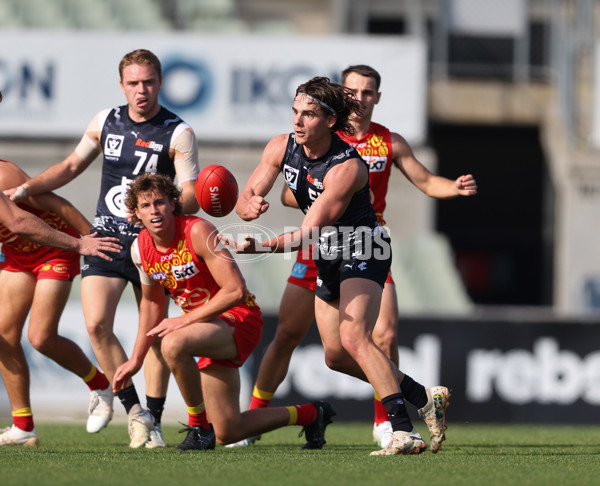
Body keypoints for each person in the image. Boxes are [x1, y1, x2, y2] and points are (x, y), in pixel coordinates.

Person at [228, 76, 476, 455]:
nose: (297, 121)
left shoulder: (347, 167)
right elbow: (249, 195)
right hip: (329, 252)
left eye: (308, 114)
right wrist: (247, 207)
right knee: (335, 356)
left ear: (329, 121)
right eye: (295, 111)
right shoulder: (281, 146)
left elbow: (306, 233)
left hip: (365, 247)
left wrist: (258, 244)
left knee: (358, 337)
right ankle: (424, 397)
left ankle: (403, 431)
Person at [6, 49, 201, 448]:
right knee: (96, 325)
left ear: (160, 82)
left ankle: (156, 420)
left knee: (155, 337)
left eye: (148, 82)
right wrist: (26, 187)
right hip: (106, 237)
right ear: (122, 85)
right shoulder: (106, 121)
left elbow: (190, 195)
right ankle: (135, 413)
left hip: (154, 243)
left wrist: (158, 210)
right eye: (133, 83)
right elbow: (70, 167)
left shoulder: (179, 133)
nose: (141, 90)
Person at [113, 173, 333, 451]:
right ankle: (311, 414)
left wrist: (184, 320)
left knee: (173, 342)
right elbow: (152, 304)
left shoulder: (198, 231)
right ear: (136, 213)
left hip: (239, 318)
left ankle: (198, 428)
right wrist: (136, 359)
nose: (154, 210)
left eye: (160, 202)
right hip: (204, 329)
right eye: (145, 206)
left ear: (173, 204)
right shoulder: (139, 249)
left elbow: (235, 290)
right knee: (229, 431)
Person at [0, 159, 122, 447]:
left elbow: (51, 203)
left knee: (40, 337)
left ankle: (99, 384)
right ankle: (24, 428)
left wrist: (89, 239)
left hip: (56, 248)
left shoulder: (4, 174)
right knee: (3, 337)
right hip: (17, 256)